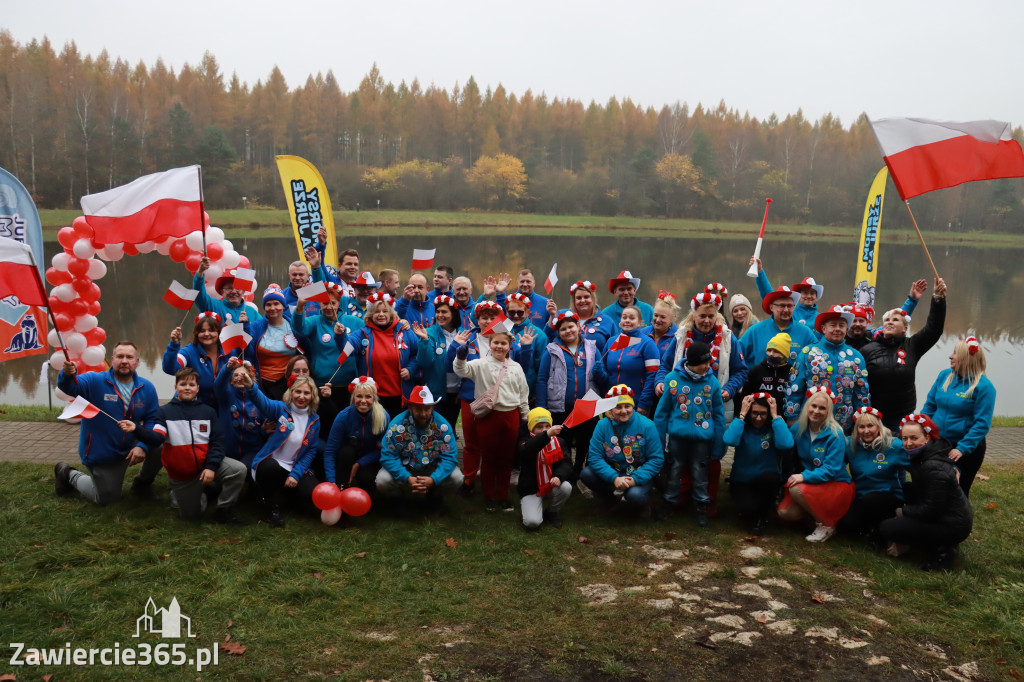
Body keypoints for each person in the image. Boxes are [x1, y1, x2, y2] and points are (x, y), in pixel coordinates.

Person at [125, 368, 248, 524]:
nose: (187, 388)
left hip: (205, 464)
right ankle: (188, 494)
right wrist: (136, 429)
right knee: (192, 516)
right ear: (176, 387)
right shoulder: (164, 412)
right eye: (183, 384)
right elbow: (156, 438)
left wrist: (211, 467)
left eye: (191, 384)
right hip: (183, 475)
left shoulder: (208, 412)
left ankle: (223, 510)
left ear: (197, 388)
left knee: (238, 470)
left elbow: (217, 442)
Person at [54, 342, 162, 505]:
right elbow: (70, 388)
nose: (124, 361)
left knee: (161, 444)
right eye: (120, 356)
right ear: (112, 360)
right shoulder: (94, 380)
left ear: (137, 361)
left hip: (131, 444)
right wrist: (67, 375)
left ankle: (141, 484)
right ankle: (68, 474)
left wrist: (143, 446)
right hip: (103, 451)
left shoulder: (147, 387)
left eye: (129, 357)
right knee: (107, 498)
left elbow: (152, 420)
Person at [447, 300, 533, 497]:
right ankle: (469, 480)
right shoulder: (469, 339)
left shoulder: (507, 340)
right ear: (477, 319)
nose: (488, 321)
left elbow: (520, 369)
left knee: (497, 447)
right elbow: (452, 367)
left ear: (499, 320)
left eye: (493, 317)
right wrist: (455, 348)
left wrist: (526, 348)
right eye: (484, 317)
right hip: (472, 399)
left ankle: (497, 486)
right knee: (471, 444)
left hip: (501, 403)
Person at [879, 414, 973, 571]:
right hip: (944, 514)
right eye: (905, 438)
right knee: (908, 488)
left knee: (887, 528)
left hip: (952, 524)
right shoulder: (925, 453)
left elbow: (932, 511)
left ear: (927, 437)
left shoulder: (933, 467)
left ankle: (943, 550)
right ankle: (938, 542)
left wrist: (903, 511)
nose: (908, 443)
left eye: (914, 438)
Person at [653, 341, 727, 525]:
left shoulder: (712, 382)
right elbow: (662, 413)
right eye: (703, 363)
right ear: (692, 362)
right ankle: (669, 503)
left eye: (709, 362)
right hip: (677, 438)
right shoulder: (672, 379)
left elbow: (718, 415)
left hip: (702, 439)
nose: (707, 366)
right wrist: (658, 442)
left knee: (700, 471)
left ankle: (701, 507)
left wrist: (719, 444)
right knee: (674, 471)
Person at [861, 277, 947, 432]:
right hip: (874, 416)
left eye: (895, 320)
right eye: (887, 320)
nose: (889, 322)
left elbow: (934, 329)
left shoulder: (912, 346)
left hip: (903, 417)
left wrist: (938, 299)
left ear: (905, 328)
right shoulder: (867, 349)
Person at [776, 386, 854, 542]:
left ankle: (827, 525)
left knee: (796, 489)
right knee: (785, 513)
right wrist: (777, 422)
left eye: (822, 408)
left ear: (828, 411)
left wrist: (803, 476)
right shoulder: (799, 427)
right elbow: (784, 442)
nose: (816, 411)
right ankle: (815, 517)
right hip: (813, 482)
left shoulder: (835, 434)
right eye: (813, 406)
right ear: (807, 406)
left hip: (834, 483)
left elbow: (830, 470)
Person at [536, 309, 608, 476]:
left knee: (586, 440)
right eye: (563, 329)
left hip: (587, 406)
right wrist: (541, 406)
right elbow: (542, 379)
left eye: (571, 327)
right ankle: (564, 472)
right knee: (564, 441)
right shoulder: (552, 350)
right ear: (558, 332)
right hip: (561, 406)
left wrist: (600, 372)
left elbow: (602, 378)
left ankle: (579, 469)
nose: (568, 331)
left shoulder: (592, 348)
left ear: (578, 327)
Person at [245, 373, 322, 527]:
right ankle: (270, 509)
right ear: (291, 392)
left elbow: (311, 451)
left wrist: (295, 474)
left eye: (306, 393)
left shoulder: (314, 420)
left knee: (311, 493)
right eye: (298, 391)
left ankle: (286, 497)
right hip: (271, 465)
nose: (301, 396)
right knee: (270, 467)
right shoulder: (281, 409)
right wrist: (251, 386)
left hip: (292, 468)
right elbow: (263, 402)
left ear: (312, 396)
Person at [922, 336, 996, 497]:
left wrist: (962, 448)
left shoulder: (984, 387)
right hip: (939, 442)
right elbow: (930, 406)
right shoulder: (944, 376)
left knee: (958, 491)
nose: (950, 356)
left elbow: (982, 424)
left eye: (955, 353)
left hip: (965, 448)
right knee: (935, 486)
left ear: (967, 358)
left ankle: (960, 514)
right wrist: (921, 428)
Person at [376, 385, 463, 510]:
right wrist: (407, 478)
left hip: (432, 467)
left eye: (427, 409)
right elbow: (388, 456)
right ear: (410, 407)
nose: (423, 414)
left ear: (432, 407)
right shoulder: (396, 426)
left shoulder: (443, 427)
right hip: (405, 467)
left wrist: (434, 479)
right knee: (382, 480)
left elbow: (449, 457)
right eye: (418, 409)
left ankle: (435, 496)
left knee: (457, 477)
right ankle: (397, 499)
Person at [784, 305, 870, 431]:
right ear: (824, 329)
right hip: (810, 423)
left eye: (841, 325)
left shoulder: (856, 357)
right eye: (833, 325)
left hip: (843, 425)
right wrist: (792, 418)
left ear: (847, 329)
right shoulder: (807, 353)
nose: (837, 329)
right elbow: (794, 388)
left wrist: (862, 421)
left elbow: (861, 393)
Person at [581, 385, 663, 514]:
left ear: (633, 406)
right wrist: (614, 478)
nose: (623, 411)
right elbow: (595, 457)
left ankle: (643, 503)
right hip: (614, 470)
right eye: (618, 407)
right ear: (611, 409)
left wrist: (635, 479)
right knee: (587, 474)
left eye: (627, 406)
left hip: (638, 471)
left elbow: (656, 459)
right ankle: (610, 500)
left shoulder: (647, 425)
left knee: (635, 496)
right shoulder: (602, 425)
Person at [723, 392, 793, 535]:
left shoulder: (774, 426)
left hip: (766, 480)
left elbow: (787, 444)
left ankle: (762, 516)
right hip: (742, 480)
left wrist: (775, 416)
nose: (759, 418)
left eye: (763, 414)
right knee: (748, 509)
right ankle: (751, 511)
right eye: (755, 413)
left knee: (769, 480)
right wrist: (742, 414)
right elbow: (729, 440)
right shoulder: (741, 425)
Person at [344, 292, 421, 418]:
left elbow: (417, 354)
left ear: (391, 313)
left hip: (401, 396)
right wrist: (340, 336)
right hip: (373, 398)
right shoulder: (362, 334)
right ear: (370, 314)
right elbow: (347, 350)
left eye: (385, 311)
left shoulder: (404, 331)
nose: (381, 314)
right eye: (376, 312)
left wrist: (410, 369)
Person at [839, 406, 907, 542]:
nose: (866, 431)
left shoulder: (894, 445)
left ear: (878, 427)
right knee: (846, 525)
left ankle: (889, 521)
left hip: (888, 496)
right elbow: (837, 464)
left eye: (870, 426)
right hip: (861, 496)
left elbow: (915, 465)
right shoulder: (850, 444)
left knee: (871, 501)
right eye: (861, 427)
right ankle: (870, 526)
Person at [292, 282, 353, 431]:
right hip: (323, 386)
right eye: (325, 303)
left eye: (333, 303)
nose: (329, 307)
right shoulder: (315, 322)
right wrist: (300, 307)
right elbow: (299, 328)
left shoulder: (353, 322)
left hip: (349, 387)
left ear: (339, 303)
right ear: (319, 304)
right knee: (325, 427)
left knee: (346, 428)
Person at [324, 377, 390, 493]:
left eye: (368, 397)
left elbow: (384, 449)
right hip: (347, 458)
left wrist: (359, 464)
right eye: (359, 396)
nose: (363, 401)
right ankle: (341, 487)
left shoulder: (383, 417)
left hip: (370, 460)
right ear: (353, 397)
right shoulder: (343, 417)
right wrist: (331, 480)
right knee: (346, 452)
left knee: (366, 478)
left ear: (374, 399)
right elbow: (330, 451)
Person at [162, 312, 235, 412]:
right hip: (193, 410)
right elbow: (170, 369)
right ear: (196, 333)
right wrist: (174, 345)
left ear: (219, 332)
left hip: (223, 410)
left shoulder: (230, 351)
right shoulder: (189, 352)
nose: (206, 334)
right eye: (202, 331)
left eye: (211, 330)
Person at [516, 408, 575, 529]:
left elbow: (567, 463)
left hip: (551, 484)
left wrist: (558, 476)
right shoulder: (524, 441)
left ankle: (551, 511)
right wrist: (546, 435)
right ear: (531, 428)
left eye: (547, 426)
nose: (544, 430)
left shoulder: (559, 441)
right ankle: (532, 507)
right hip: (531, 488)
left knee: (566, 487)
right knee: (532, 523)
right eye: (539, 427)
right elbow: (526, 451)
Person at [411, 295, 463, 427]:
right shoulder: (430, 332)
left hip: (457, 391)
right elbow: (424, 362)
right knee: (436, 427)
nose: (440, 315)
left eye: (444, 312)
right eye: (438, 312)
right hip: (436, 391)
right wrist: (425, 341)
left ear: (453, 314)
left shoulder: (462, 333)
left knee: (450, 425)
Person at [739, 285, 817, 368]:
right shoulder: (755, 331)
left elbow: (818, 357)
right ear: (771, 307)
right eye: (782, 306)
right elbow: (736, 356)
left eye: (789, 306)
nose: (786, 310)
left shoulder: (805, 332)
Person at [602, 305, 660, 414]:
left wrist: (644, 403)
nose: (627, 320)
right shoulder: (611, 341)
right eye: (624, 317)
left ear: (639, 323)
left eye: (632, 318)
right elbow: (604, 370)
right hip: (611, 404)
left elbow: (653, 375)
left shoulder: (647, 343)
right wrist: (598, 372)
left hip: (636, 404)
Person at [246, 285, 301, 400]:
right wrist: (245, 328)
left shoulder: (293, 326)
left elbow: (306, 352)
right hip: (261, 386)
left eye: (276, 303)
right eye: (268, 304)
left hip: (287, 386)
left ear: (283, 306)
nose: (272, 308)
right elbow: (248, 353)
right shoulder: (256, 327)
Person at [215, 356, 269, 469]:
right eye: (235, 375)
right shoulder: (225, 395)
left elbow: (264, 427)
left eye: (244, 375)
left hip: (251, 450)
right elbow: (218, 385)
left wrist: (264, 430)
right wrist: (227, 368)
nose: (240, 377)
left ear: (251, 379)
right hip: (227, 450)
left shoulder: (258, 399)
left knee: (243, 470)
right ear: (230, 380)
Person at [845, 279, 927, 350]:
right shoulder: (840, 336)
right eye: (854, 321)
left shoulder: (873, 336)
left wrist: (912, 300)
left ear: (866, 323)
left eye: (861, 321)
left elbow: (898, 316)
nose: (858, 324)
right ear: (847, 323)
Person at [751, 256, 821, 328]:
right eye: (805, 293)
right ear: (799, 295)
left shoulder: (821, 319)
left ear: (816, 296)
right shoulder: (788, 312)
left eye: (812, 293)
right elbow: (769, 296)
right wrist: (760, 272)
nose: (809, 296)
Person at [544, 280, 616, 349]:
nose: (582, 300)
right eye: (578, 298)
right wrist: (552, 316)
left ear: (593, 298)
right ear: (574, 301)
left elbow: (614, 348)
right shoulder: (562, 315)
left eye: (586, 297)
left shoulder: (607, 321)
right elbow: (547, 338)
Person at [192, 256, 261, 324]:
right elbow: (199, 294)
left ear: (243, 292)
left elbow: (264, 328)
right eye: (229, 288)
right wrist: (200, 272)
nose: (234, 291)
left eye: (237, 288)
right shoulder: (213, 306)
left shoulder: (252, 312)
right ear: (222, 292)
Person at [506, 293, 545, 401]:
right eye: (511, 312)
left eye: (520, 312)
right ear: (506, 312)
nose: (516, 315)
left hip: (527, 392)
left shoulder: (538, 335)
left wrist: (537, 393)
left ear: (527, 312)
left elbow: (541, 369)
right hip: (502, 391)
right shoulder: (499, 330)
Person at [741, 333, 792, 408]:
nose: (771, 354)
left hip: (783, 414)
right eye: (769, 350)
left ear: (785, 354)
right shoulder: (756, 371)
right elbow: (745, 398)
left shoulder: (791, 372)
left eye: (776, 351)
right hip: (759, 414)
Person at [640, 292, 680, 356]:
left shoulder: (678, 338)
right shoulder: (642, 333)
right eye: (656, 315)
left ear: (672, 318)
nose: (658, 320)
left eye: (663, 317)